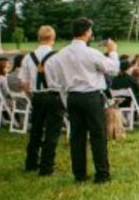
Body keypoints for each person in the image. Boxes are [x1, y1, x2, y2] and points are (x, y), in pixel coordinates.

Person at [45, 18, 119, 184]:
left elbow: (51, 71)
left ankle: (79, 174)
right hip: (91, 96)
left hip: (73, 97)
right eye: (90, 31)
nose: (91, 34)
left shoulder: (61, 54)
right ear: (86, 32)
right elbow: (113, 69)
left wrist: (64, 89)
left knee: (76, 137)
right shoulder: (90, 53)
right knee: (97, 135)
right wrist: (113, 51)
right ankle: (102, 174)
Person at [19, 26, 63, 176]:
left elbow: (24, 83)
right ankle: (47, 166)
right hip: (53, 96)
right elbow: (63, 80)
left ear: (39, 38)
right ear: (53, 38)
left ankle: (31, 163)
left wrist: (31, 97)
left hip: (37, 96)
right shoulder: (58, 57)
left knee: (35, 130)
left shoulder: (27, 57)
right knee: (52, 131)